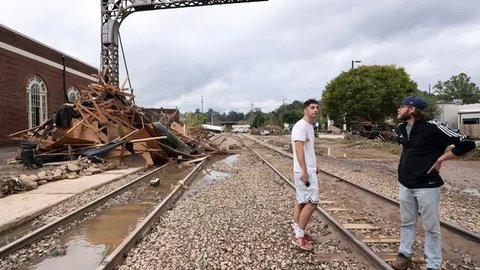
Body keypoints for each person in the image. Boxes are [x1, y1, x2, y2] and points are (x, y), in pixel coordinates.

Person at [392, 96, 475, 270]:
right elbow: (406, 147)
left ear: (412, 109)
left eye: (402, 106)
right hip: (405, 183)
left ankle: (433, 264)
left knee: (431, 226)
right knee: (406, 222)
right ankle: (404, 255)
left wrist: (442, 158)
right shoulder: (400, 128)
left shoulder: (434, 128)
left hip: (427, 185)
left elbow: (467, 143)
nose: (398, 110)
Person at [291, 99, 321, 251]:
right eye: (312, 107)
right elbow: (298, 148)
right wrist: (304, 170)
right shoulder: (301, 126)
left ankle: (297, 229)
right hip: (304, 171)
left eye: (317, 107)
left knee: (302, 200)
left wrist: (315, 165)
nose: (315, 110)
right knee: (312, 202)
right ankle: (299, 237)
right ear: (305, 110)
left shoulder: (309, 126)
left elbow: (308, 149)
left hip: (308, 168)